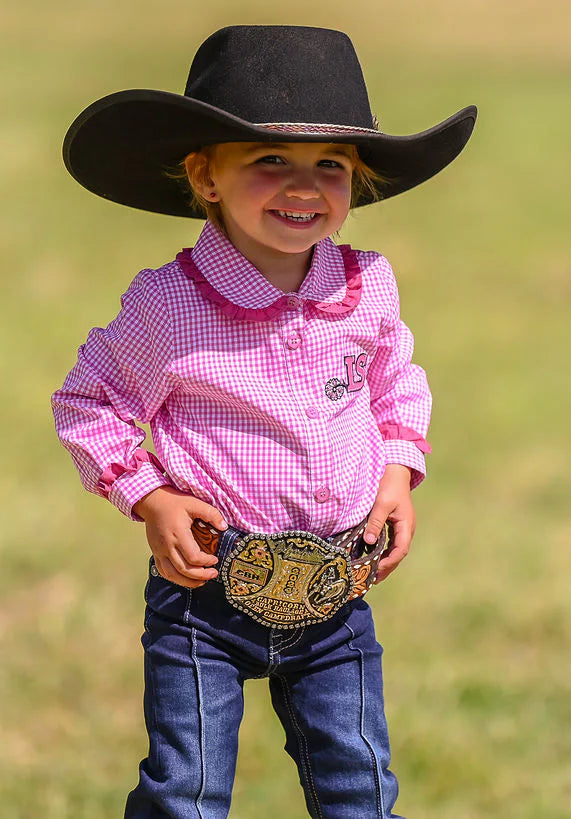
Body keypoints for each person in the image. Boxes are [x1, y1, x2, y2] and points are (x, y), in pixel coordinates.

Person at [52, 25, 476, 819]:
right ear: (205, 175)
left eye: (332, 167)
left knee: (361, 788)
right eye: (269, 160)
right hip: (206, 595)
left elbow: (396, 385)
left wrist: (396, 472)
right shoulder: (168, 304)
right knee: (188, 789)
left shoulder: (368, 286)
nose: (304, 186)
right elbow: (89, 399)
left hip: (336, 591)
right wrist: (150, 497)